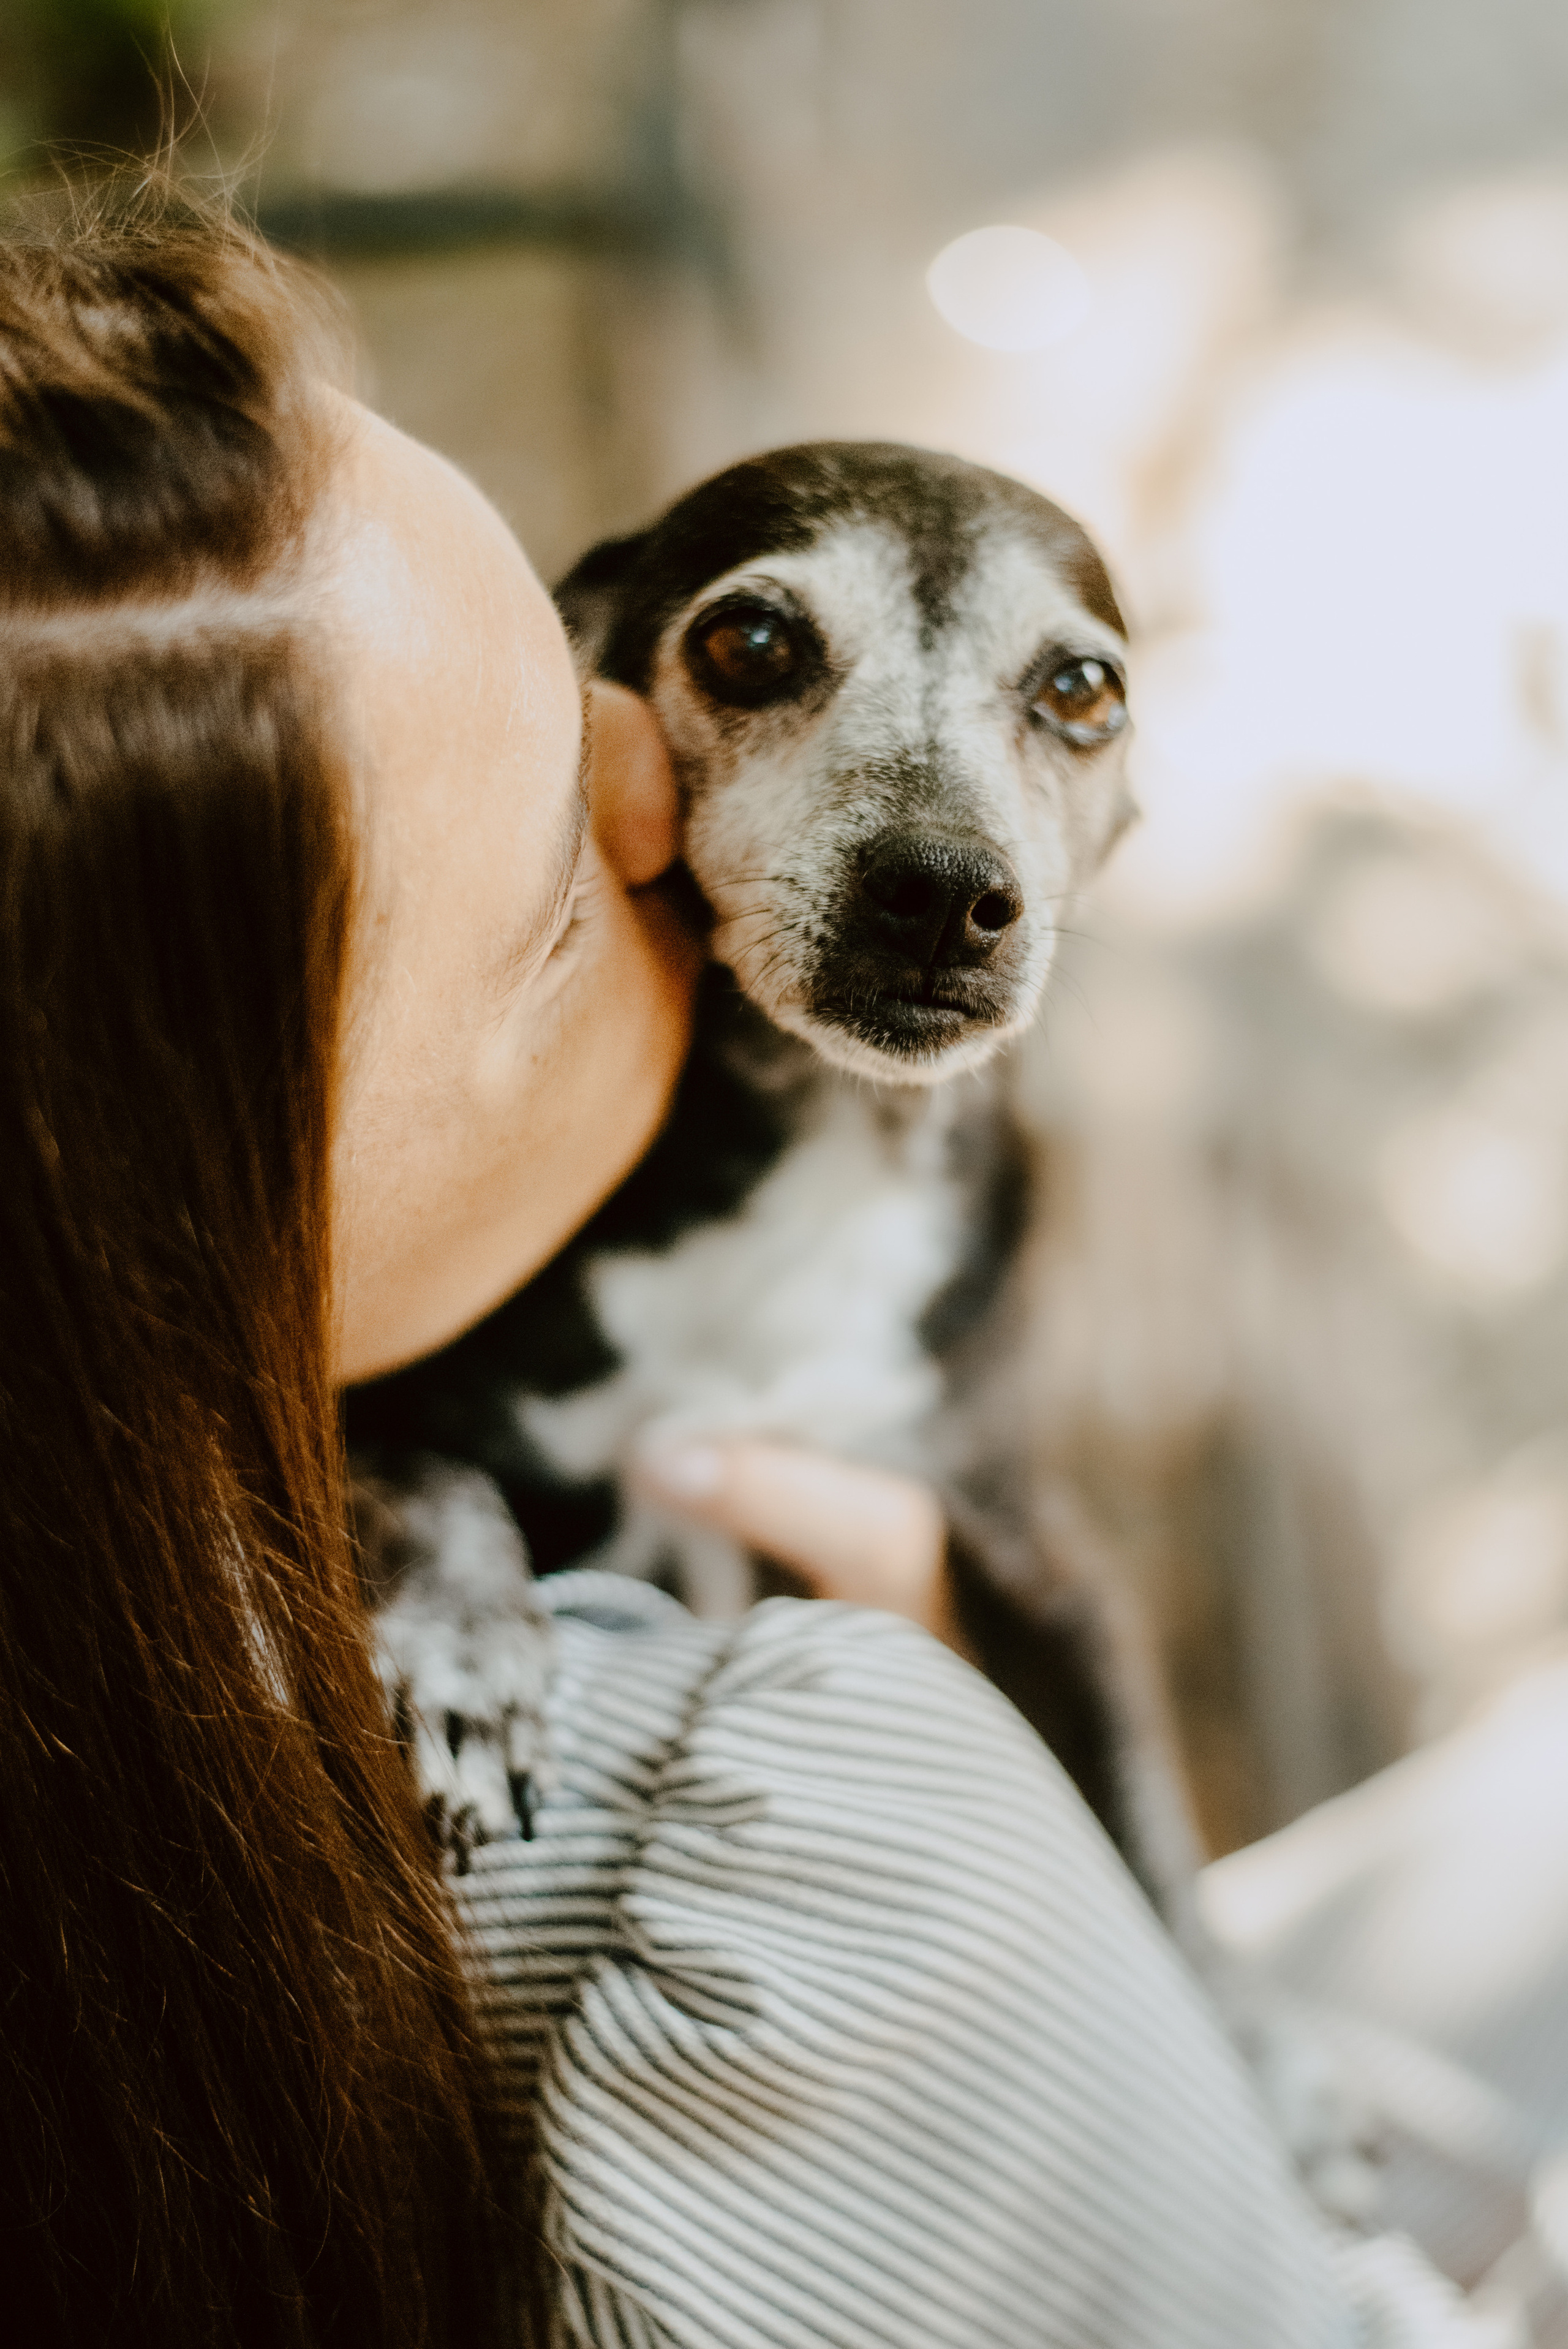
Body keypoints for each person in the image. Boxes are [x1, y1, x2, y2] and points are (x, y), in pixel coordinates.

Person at [0, 187, 1516, 2349]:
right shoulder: (781, 1832)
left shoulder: (945, 1214)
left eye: (1072, 699)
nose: (647, 804)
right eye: (559, 887)